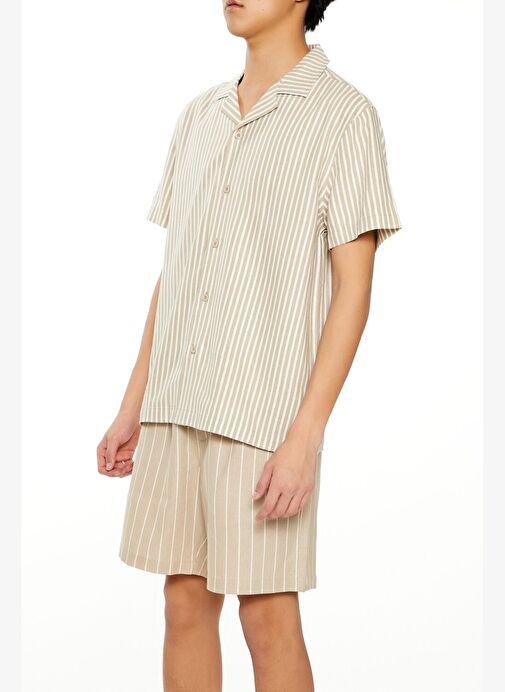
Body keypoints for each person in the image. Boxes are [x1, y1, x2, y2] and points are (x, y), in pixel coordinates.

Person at [97, 1, 402, 690]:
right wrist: (132, 406)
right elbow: (178, 272)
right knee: (182, 602)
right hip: (177, 403)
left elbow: (353, 289)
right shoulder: (199, 115)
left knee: (267, 616)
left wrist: (305, 437)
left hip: (262, 415)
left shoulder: (344, 117)